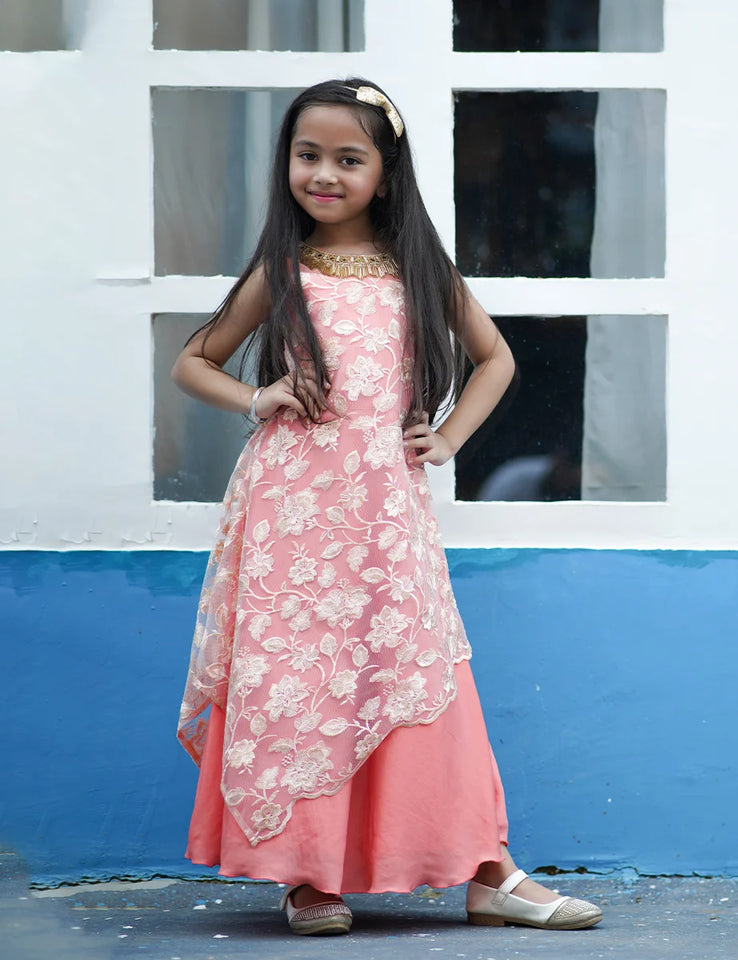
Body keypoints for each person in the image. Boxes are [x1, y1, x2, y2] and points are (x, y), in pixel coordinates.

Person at [173, 78, 602, 937]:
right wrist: (259, 400)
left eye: (347, 158)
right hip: (292, 510)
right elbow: (194, 362)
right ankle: (305, 876)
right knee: (296, 684)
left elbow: (495, 360)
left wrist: (445, 440)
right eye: (307, 155)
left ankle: (487, 870)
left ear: (386, 171)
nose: (323, 173)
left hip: (384, 510)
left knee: (417, 674)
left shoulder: (418, 270)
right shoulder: (281, 270)